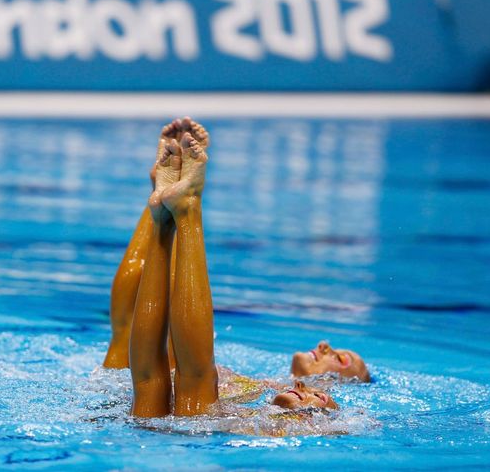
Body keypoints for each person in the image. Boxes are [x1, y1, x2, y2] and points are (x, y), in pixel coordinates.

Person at [104, 118, 340, 417]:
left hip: (145, 422)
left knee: (151, 371)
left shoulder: (298, 424)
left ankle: (175, 208)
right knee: (166, 374)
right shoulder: (275, 408)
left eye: (342, 360)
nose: (325, 345)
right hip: (167, 427)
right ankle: (172, 206)